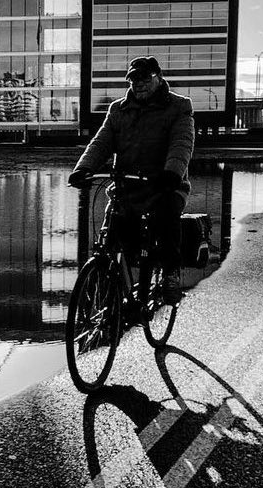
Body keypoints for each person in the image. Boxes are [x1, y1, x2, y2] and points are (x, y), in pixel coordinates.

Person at [68, 55, 195, 303]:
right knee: (112, 233)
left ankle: (170, 274)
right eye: (134, 80)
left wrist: (172, 173)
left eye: (145, 79)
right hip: (127, 185)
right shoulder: (118, 109)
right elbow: (102, 142)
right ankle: (110, 287)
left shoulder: (178, 107)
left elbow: (181, 143)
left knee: (166, 217)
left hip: (164, 185)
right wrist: (83, 169)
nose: (139, 84)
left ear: (158, 78)